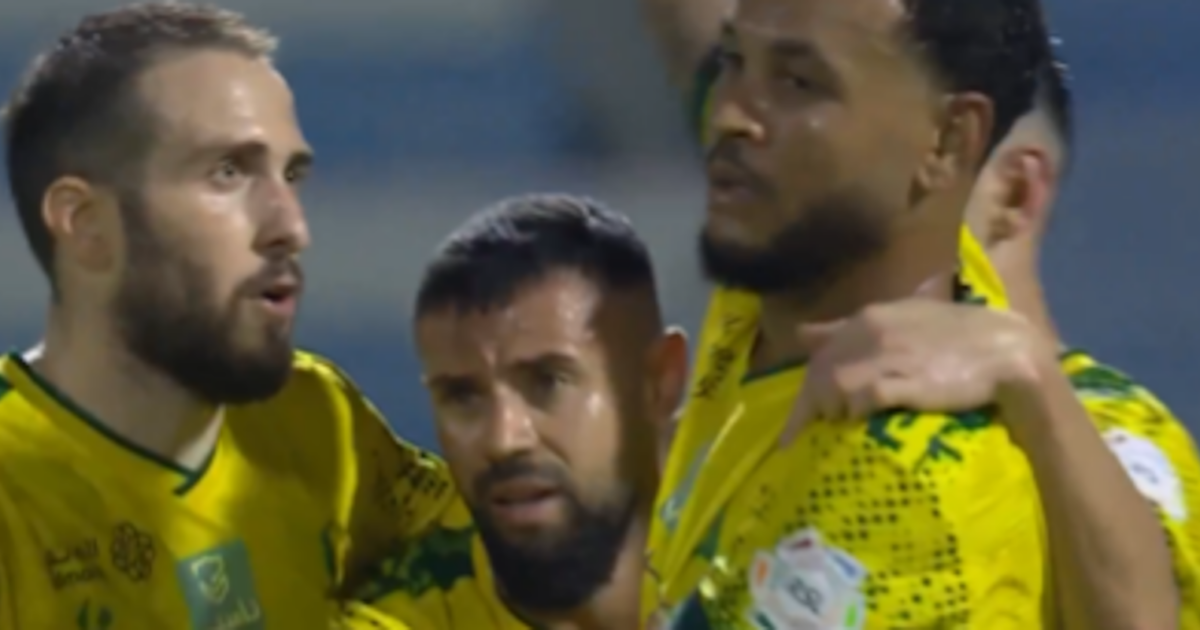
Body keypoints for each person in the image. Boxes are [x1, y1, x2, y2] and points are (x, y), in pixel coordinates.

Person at [0, 4, 448, 628]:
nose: (291, 227)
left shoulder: (319, 421)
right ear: (86, 224)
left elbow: (504, 579)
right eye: (228, 172)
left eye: (291, 176)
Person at [634, 0, 1079, 625]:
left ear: (950, 140)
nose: (730, 115)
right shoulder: (782, 283)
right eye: (735, 61)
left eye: (797, 83)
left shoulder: (907, 501)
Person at [353, 195, 688, 630]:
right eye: (463, 397)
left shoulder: (763, 521)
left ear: (660, 382)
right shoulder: (406, 617)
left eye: (548, 382)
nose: (502, 440)